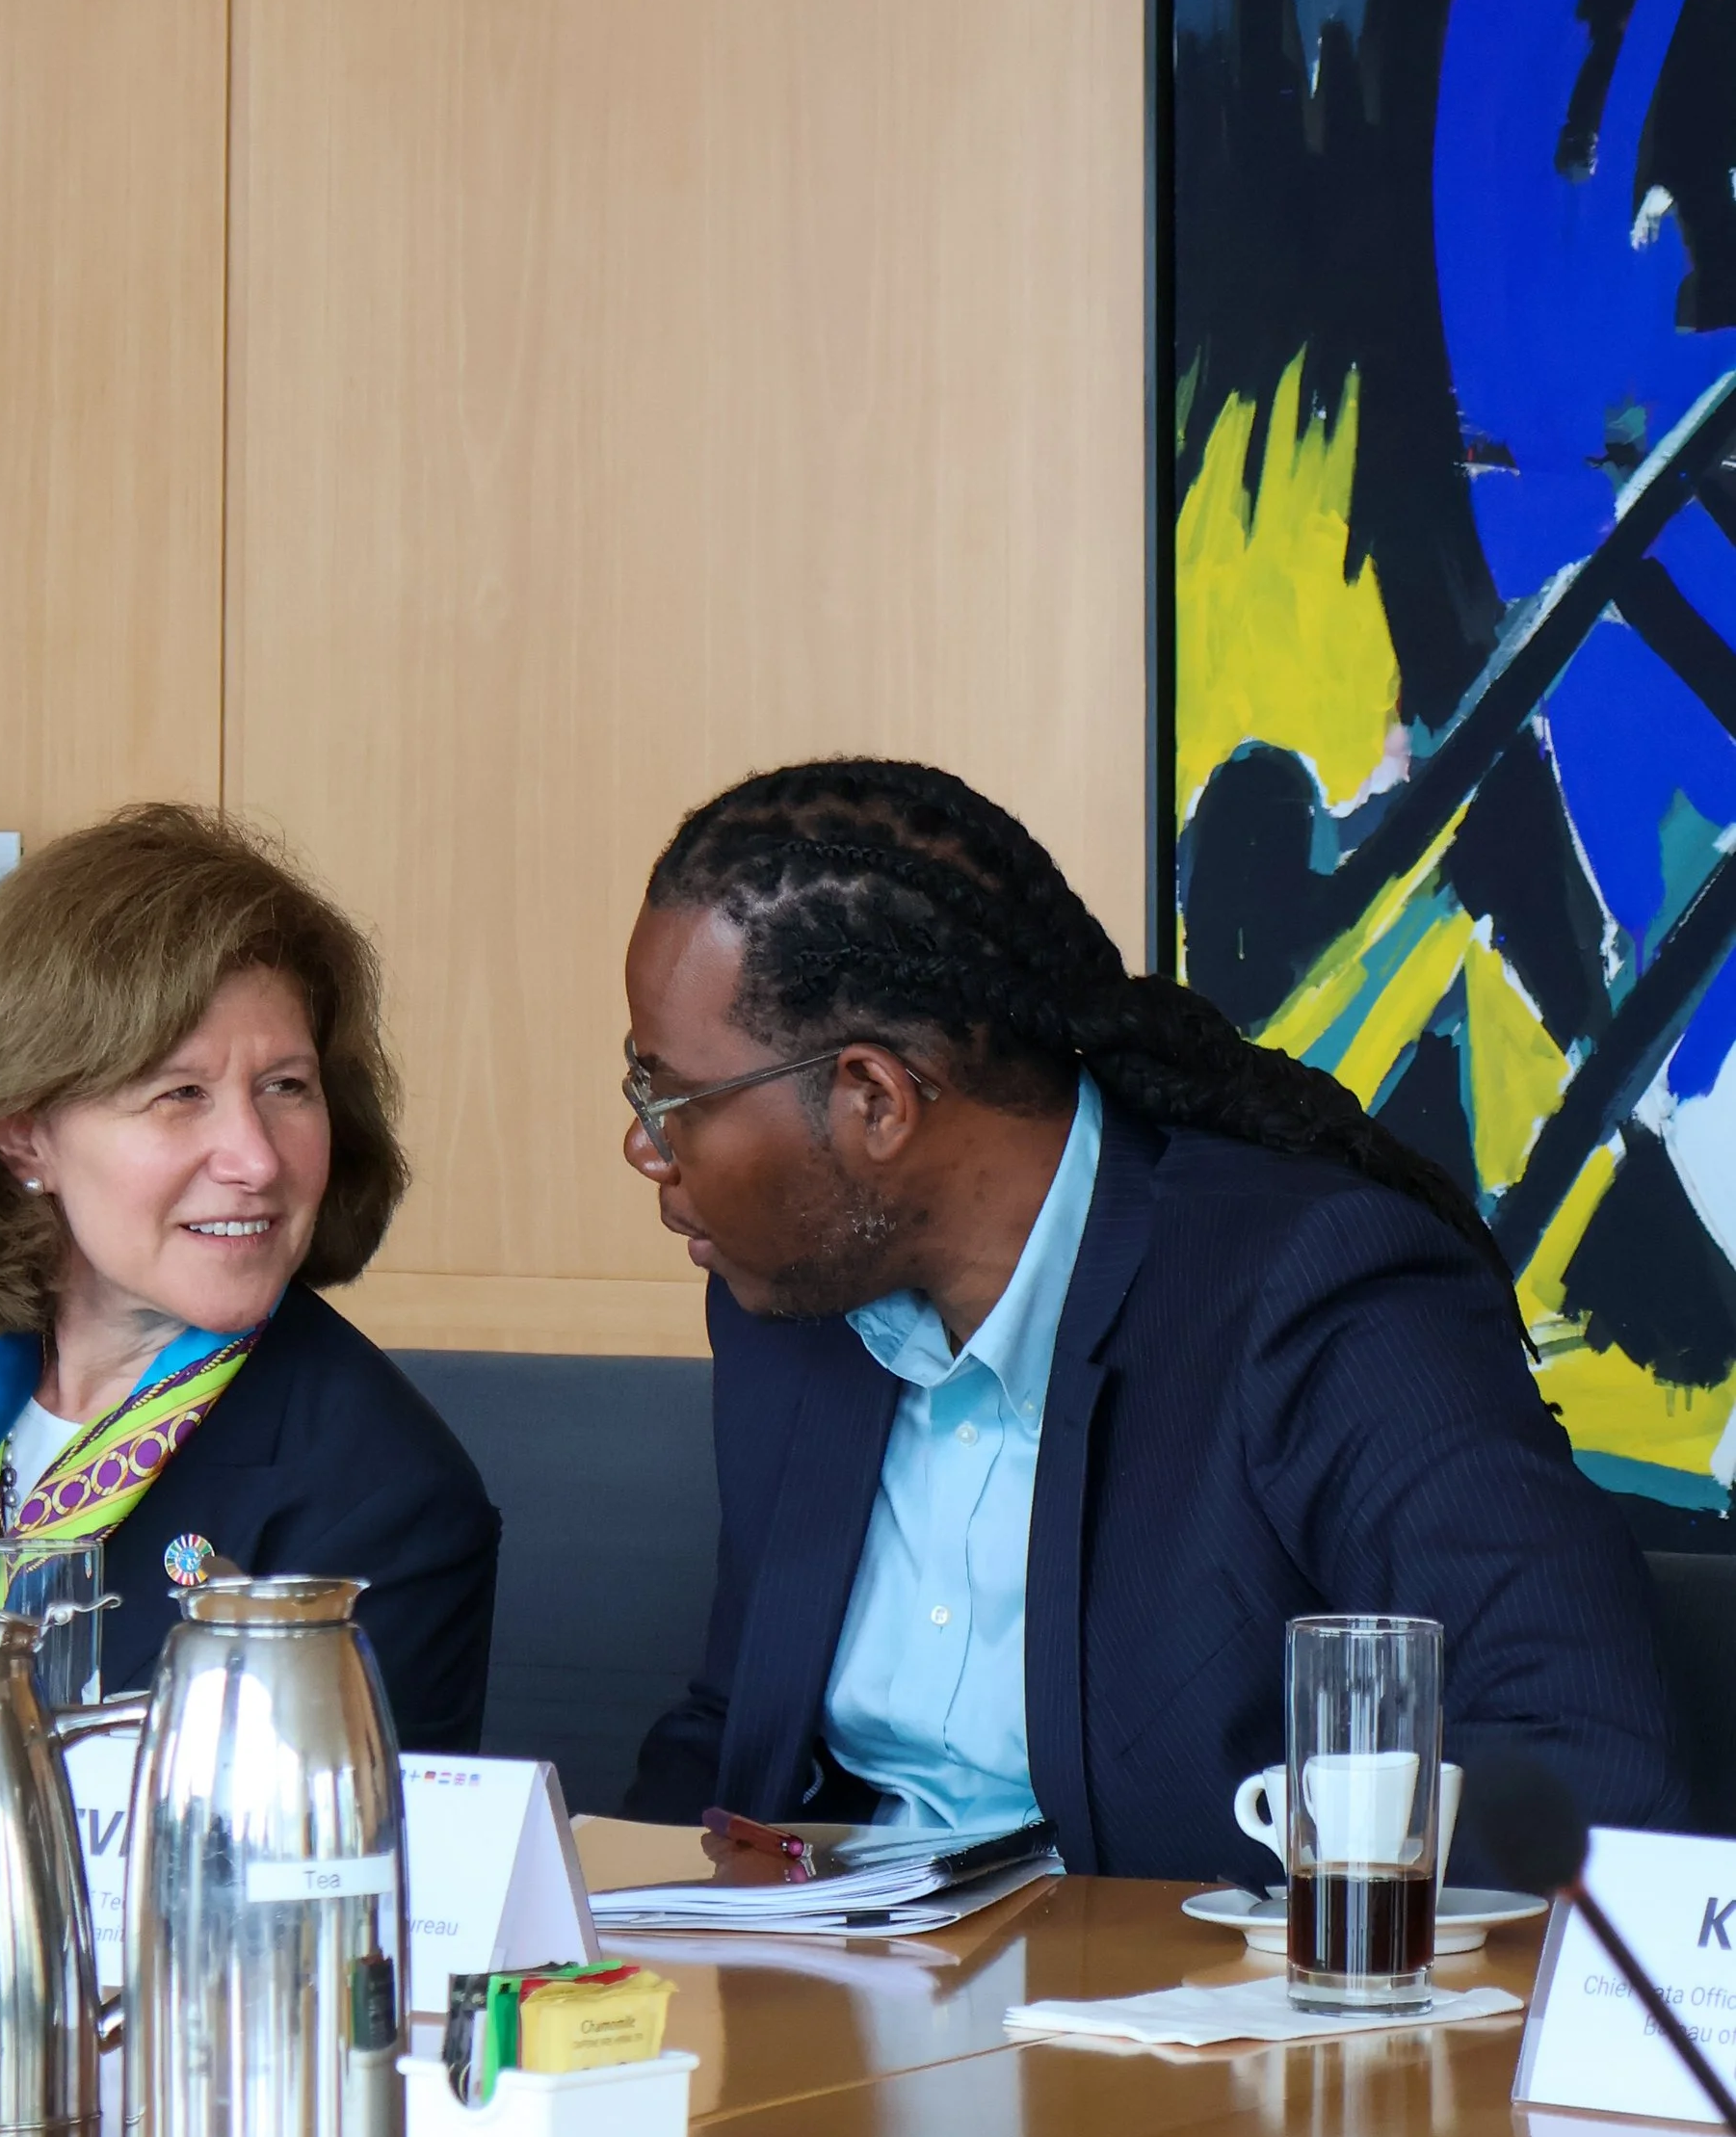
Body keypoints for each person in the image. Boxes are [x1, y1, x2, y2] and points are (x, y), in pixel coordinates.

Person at [618, 758, 1681, 1875]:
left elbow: (1587, 1761)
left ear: (873, 1099)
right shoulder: (787, 1302)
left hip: (1182, 2021)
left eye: (670, 1096)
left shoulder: (1313, 1296)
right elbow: (733, 1730)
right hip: (826, 2025)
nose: (643, 1146)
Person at [0, 804, 498, 1778]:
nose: (254, 1158)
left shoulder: (386, 1499)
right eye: (178, 1094)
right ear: (22, 1134)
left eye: (286, 1086)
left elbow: (317, 1888)